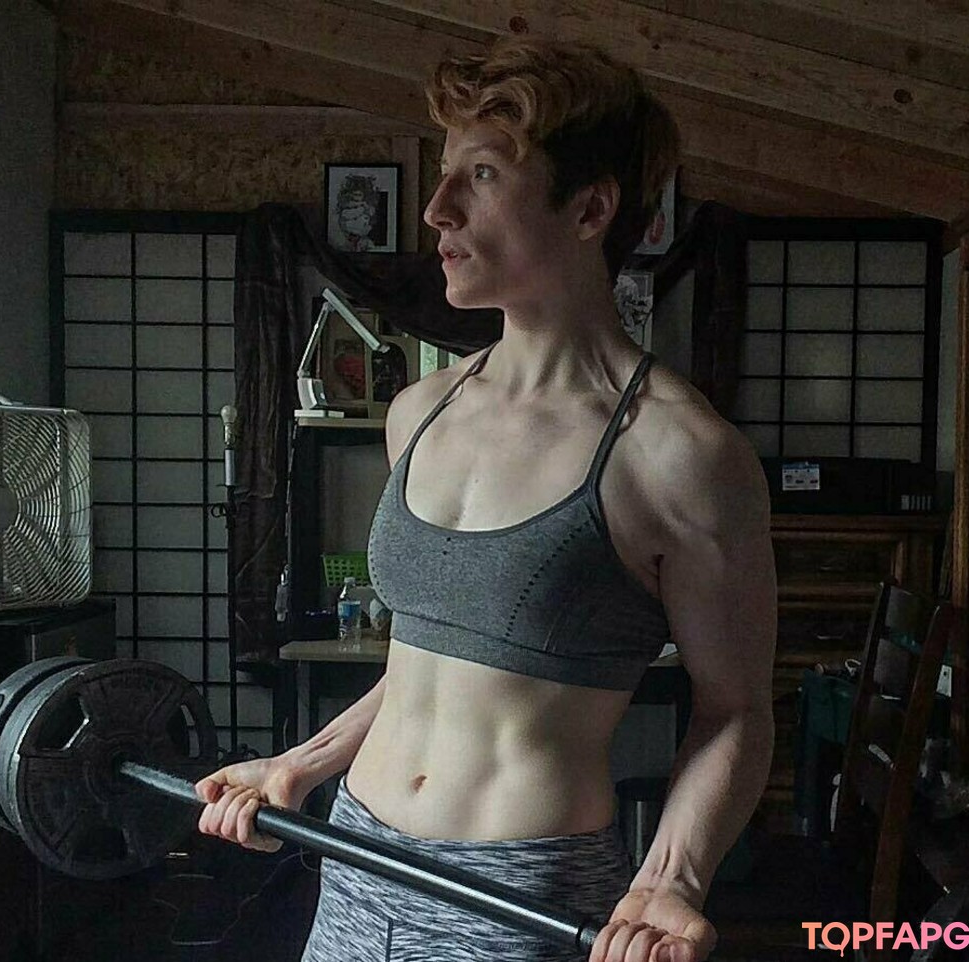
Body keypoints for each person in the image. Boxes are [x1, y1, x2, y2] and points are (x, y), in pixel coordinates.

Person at [197, 37, 777, 962]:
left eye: (482, 175)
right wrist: (299, 765)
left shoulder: (680, 454)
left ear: (589, 209)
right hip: (356, 859)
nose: (436, 209)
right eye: (444, 175)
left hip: (520, 894)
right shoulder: (419, 413)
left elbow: (735, 708)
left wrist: (669, 880)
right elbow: (426, 665)